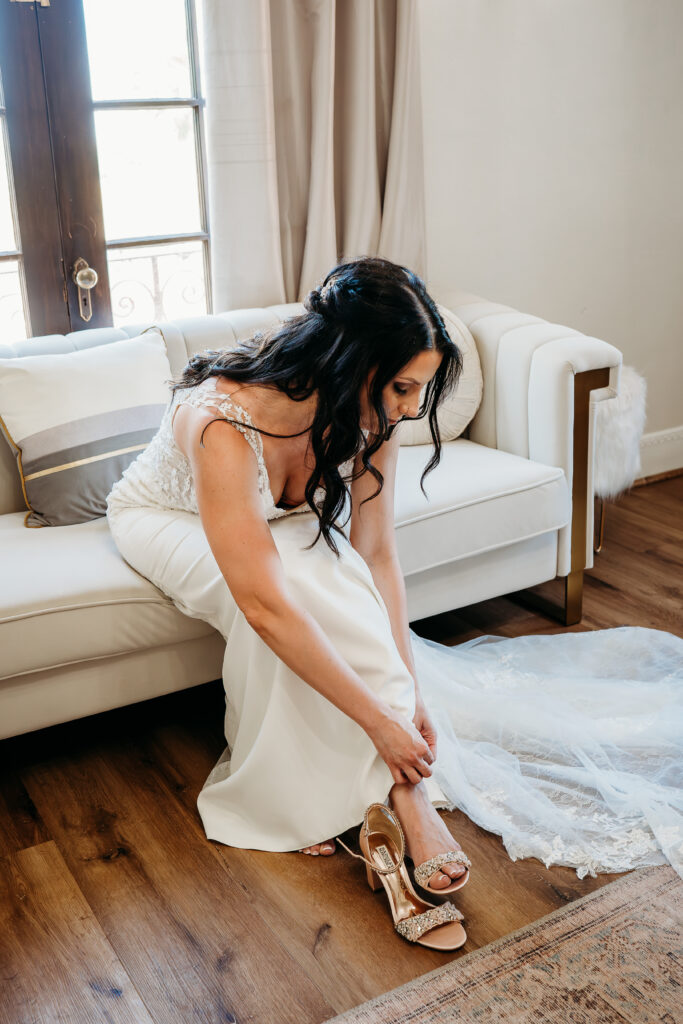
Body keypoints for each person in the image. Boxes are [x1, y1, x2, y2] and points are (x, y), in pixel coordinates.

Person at [106, 256, 683, 934]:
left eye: (421, 389)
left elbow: (376, 552)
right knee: (269, 602)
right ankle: (342, 797)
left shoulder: (375, 414)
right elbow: (262, 604)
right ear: (352, 363)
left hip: (269, 523)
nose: (412, 407)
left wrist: (406, 697)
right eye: (403, 387)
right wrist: (382, 726)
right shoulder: (222, 424)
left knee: (337, 581)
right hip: (163, 519)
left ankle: (400, 796)